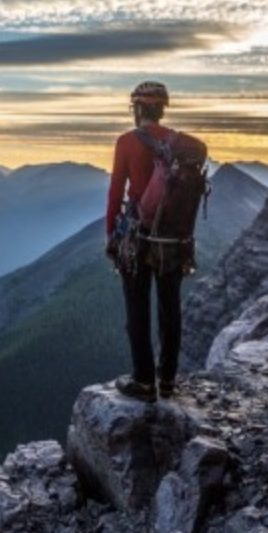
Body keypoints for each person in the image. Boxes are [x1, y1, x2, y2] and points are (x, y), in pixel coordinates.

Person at [105, 80, 183, 403]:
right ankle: (167, 380)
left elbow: (115, 192)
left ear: (137, 109)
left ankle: (143, 381)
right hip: (173, 240)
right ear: (162, 109)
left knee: (137, 309)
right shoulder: (180, 143)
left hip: (136, 238)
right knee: (170, 309)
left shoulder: (126, 142)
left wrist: (111, 235)